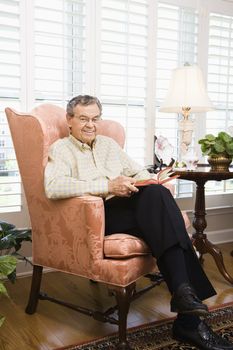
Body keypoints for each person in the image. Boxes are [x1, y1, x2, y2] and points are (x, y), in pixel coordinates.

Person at [44, 95, 233, 350]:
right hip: (98, 216)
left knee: (157, 195)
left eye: (95, 119)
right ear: (70, 120)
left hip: (129, 209)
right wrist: (108, 185)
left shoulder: (109, 145)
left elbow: (139, 171)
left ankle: (185, 304)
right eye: (83, 119)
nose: (90, 124)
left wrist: (146, 181)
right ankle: (188, 317)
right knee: (165, 216)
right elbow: (53, 186)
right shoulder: (61, 149)